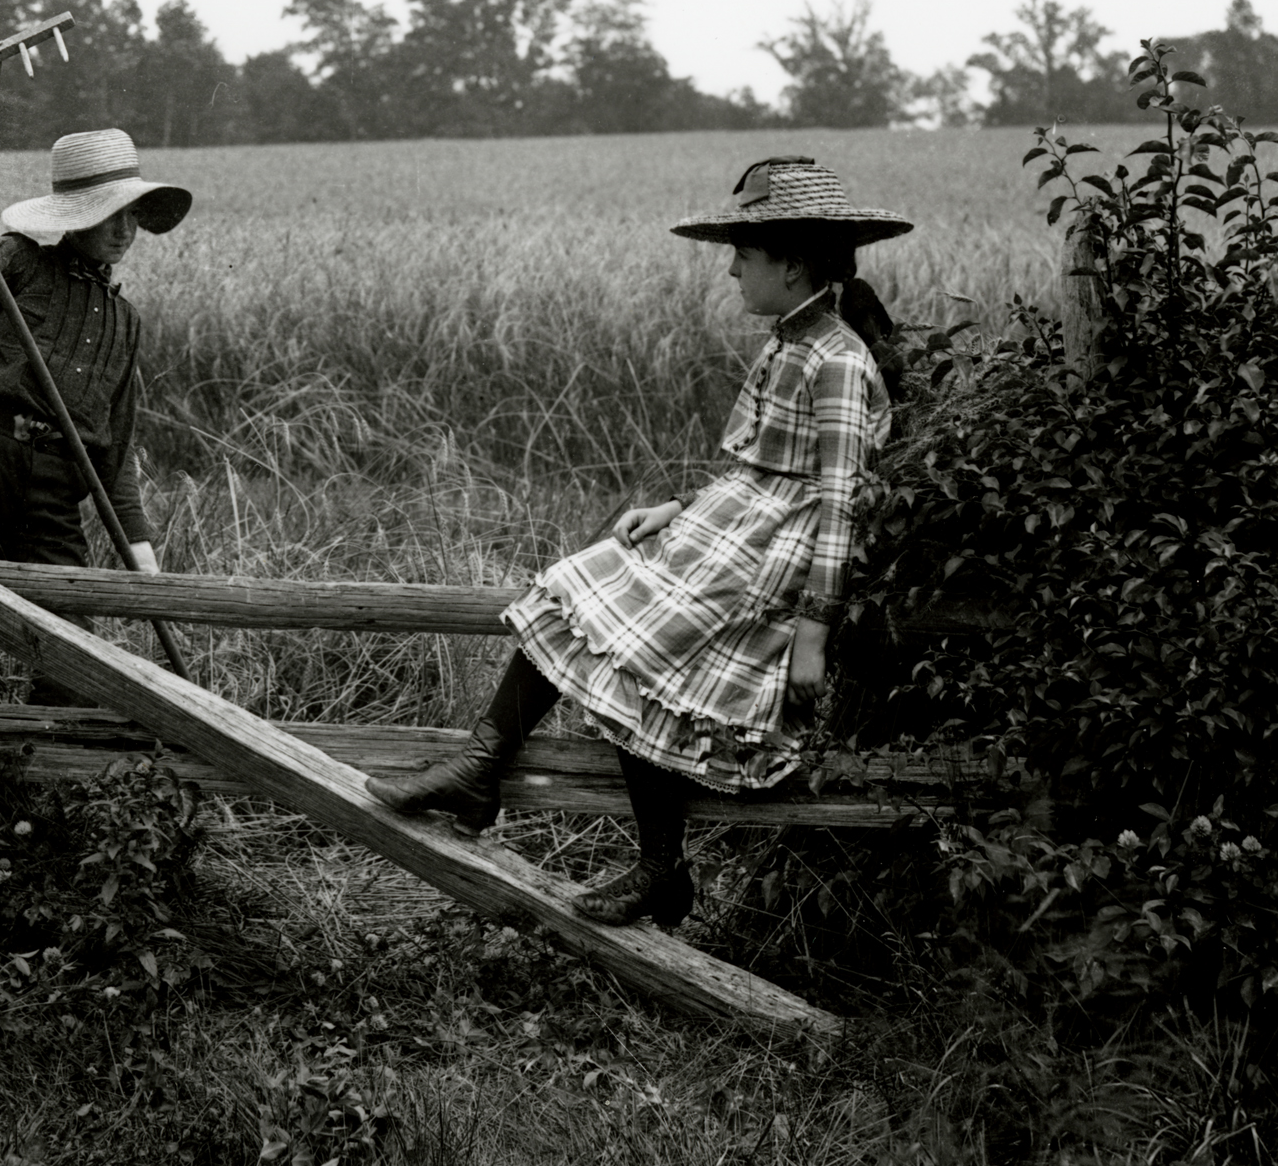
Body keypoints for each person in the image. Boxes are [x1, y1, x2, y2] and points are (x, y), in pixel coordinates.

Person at [374, 155, 910, 928]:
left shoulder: (838, 361)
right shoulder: (790, 340)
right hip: (727, 528)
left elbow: (837, 498)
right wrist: (679, 506)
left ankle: (656, 866)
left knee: (642, 658)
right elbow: (762, 465)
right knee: (574, 591)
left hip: (770, 558)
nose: (730, 270)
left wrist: (814, 630)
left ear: (792, 266)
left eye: (745, 254)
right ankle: (482, 766)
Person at [0, 104, 190, 620]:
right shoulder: (18, 261)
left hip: (57, 485)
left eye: (132, 214)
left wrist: (139, 549)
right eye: (110, 214)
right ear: (75, 217)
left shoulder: (125, 320)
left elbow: (113, 443)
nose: (124, 230)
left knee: (69, 632)